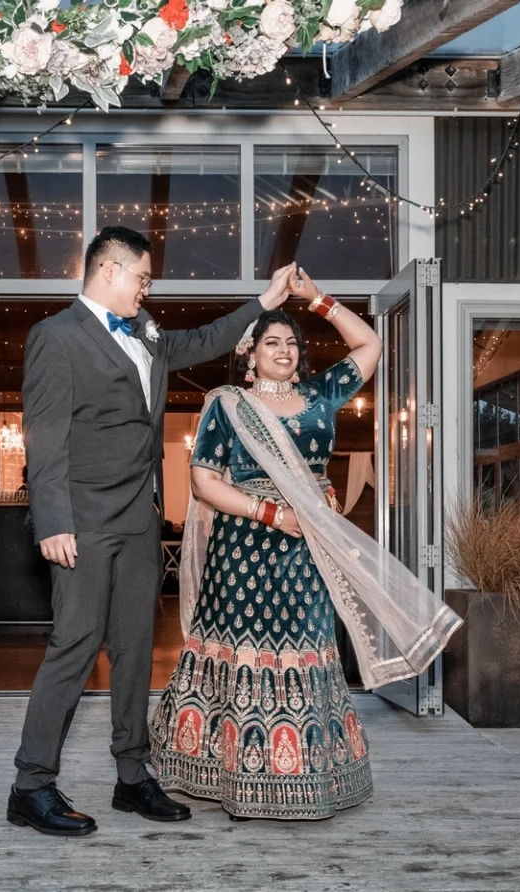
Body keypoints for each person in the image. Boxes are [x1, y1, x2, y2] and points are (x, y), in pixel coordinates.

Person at [7, 226, 298, 837]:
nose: (146, 289)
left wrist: (265, 303)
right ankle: (31, 784)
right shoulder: (56, 338)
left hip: (140, 520)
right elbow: (45, 436)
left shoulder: (145, 332)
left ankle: (132, 776)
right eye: (141, 277)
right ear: (109, 270)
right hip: (82, 526)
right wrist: (53, 520)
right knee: (75, 646)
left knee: (136, 649)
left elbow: (207, 338)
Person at [150, 269, 463, 821]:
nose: (286, 351)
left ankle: (305, 775)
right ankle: (235, 775)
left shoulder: (320, 396)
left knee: (307, 646)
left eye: (292, 343)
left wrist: (317, 300)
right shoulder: (227, 405)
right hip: (244, 549)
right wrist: (272, 511)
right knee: (241, 648)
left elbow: (371, 344)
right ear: (249, 352)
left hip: (307, 550)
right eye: (273, 342)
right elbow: (204, 482)